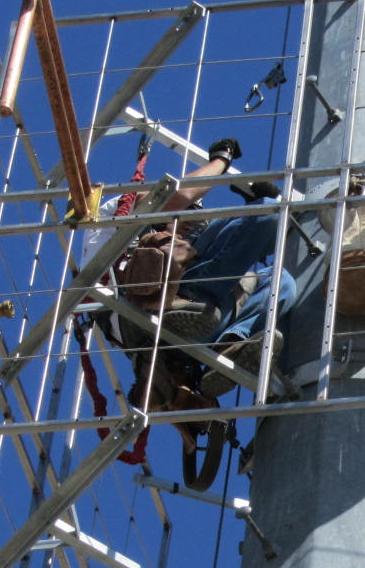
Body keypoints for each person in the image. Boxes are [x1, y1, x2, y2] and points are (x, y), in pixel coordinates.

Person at [83, 136, 293, 399]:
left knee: (281, 281)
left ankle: (231, 345)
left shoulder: (180, 243)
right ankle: (193, 303)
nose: (189, 225)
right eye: (187, 215)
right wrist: (221, 162)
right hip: (137, 316)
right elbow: (180, 195)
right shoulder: (119, 213)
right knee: (267, 212)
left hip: (194, 328)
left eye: (194, 220)